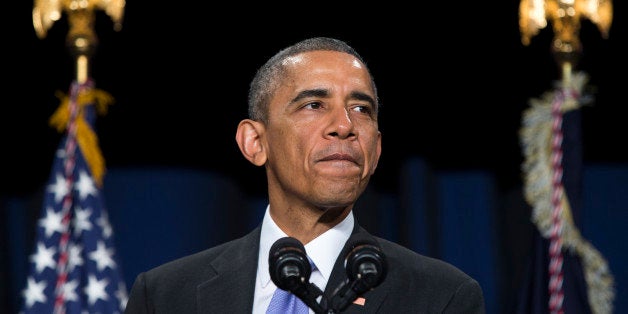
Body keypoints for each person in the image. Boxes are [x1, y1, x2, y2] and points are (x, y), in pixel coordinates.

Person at [124, 36, 486, 313]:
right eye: (314, 105)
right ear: (255, 142)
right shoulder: (165, 295)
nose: (344, 126)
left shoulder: (441, 297)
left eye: (361, 109)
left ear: (375, 151)